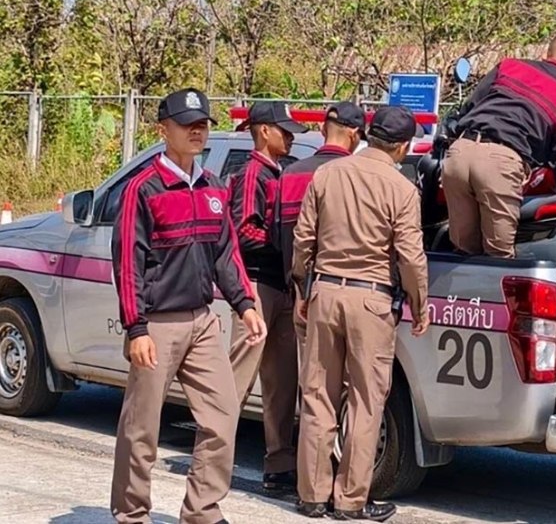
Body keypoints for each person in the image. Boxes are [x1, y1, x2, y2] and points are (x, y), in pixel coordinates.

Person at [110, 88, 266, 524]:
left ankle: (202, 511)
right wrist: (136, 327)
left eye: (202, 124)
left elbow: (226, 253)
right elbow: (128, 263)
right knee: (142, 427)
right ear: (164, 130)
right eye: (186, 124)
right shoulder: (143, 189)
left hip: (202, 321)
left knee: (222, 415)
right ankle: (131, 514)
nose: (197, 131)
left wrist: (245, 304)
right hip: (156, 325)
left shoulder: (214, 187)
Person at [291, 105, 430, 521]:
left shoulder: (327, 174)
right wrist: (419, 303)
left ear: (369, 135)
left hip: (325, 292)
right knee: (366, 403)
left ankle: (311, 495)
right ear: (403, 146)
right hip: (372, 300)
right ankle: (350, 500)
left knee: (318, 395)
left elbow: (303, 240)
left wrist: (303, 286)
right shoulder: (402, 188)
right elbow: (410, 256)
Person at [441, 33, 556, 258]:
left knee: (464, 253)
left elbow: (470, 105)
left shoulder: (509, 66)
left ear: (545, 54)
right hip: (501, 163)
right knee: (499, 257)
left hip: (459, 153)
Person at [227, 101, 307, 493]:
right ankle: (214, 457)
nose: (290, 137)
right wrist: (284, 245)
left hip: (282, 286)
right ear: (263, 131)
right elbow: (243, 231)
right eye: (283, 130)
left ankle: (279, 465)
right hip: (257, 285)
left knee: (282, 382)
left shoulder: (281, 172)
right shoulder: (251, 174)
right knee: (238, 379)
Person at [276, 101, 366, 347]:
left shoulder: (291, 173)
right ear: (354, 135)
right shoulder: (361, 177)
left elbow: (282, 236)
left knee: (311, 367)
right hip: (348, 291)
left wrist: (298, 286)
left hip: (301, 293)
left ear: (323, 129)